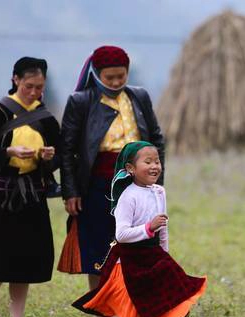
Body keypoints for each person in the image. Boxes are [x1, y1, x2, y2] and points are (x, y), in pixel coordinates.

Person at [72, 141, 207, 317]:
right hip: (132, 259)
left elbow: (162, 227)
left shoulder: (159, 192)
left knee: (164, 308)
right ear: (131, 168)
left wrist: (164, 254)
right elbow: (121, 234)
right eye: (148, 162)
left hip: (156, 257)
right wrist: (148, 227)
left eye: (157, 161)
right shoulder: (128, 196)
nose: (155, 166)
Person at [58, 45, 165, 292]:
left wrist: (156, 179)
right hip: (97, 186)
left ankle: (131, 302)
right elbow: (67, 149)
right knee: (100, 247)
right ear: (96, 74)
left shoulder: (139, 97)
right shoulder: (81, 102)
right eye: (110, 77)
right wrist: (71, 191)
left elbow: (156, 139)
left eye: (121, 76)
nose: (116, 82)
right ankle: (101, 305)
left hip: (138, 183)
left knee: (138, 242)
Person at [0, 57, 60, 317]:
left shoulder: (46, 118)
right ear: (15, 80)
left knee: (25, 259)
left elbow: (58, 156)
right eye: (29, 86)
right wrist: (8, 153)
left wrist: (49, 157)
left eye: (39, 87)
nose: (34, 92)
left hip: (32, 196)